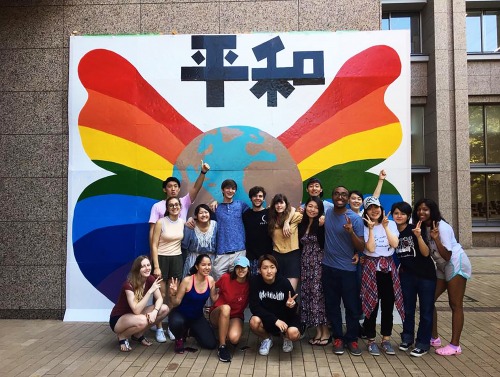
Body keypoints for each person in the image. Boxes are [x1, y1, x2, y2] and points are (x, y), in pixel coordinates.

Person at [413, 198, 472, 356]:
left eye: (425, 209)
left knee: (455, 304)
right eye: (419, 209)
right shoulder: (423, 227)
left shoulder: (442, 227)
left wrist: (436, 238)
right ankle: (434, 338)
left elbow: (446, 255)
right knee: (428, 300)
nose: (421, 212)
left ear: (432, 210)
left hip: (454, 264)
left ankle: (455, 345)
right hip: (441, 266)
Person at [322, 186, 365, 356]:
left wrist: (351, 232)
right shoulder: (328, 212)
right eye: (337, 194)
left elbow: (361, 246)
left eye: (344, 195)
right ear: (332, 196)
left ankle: (352, 339)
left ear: (348, 198)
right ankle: (338, 338)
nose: (340, 197)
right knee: (332, 306)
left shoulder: (355, 219)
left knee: (352, 307)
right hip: (328, 268)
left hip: (348, 270)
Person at [391, 201, 436, 357]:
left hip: (426, 275)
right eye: (396, 213)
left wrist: (418, 237)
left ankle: (423, 343)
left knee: (425, 311)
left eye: (402, 213)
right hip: (407, 275)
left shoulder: (415, 229)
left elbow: (425, 253)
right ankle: (407, 338)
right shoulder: (392, 231)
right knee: (407, 309)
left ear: (408, 216)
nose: (399, 216)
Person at [361, 196, 403, 356]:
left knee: (388, 306)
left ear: (381, 209)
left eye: (376, 207)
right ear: (366, 211)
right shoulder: (364, 226)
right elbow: (370, 249)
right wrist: (371, 229)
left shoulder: (391, 224)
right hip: (371, 269)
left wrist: (385, 227)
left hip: (389, 270)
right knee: (371, 307)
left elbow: (394, 244)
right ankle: (371, 340)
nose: (374, 210)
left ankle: (386, 339)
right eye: (370, 208)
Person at [109, 255, 169, 352]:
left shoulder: (150, 279)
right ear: (137, 269)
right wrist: (150, 291)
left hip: (134, 315)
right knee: (143, 320)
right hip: (119, 319)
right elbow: (136, 310)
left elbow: (159, 299)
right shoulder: (128, 285)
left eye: (148, 265)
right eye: (143, 266)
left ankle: (138, 334)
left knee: (164, 309)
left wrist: (155, 311)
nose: (147, 268)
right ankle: (122, 336)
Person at [149, 161, 210, 246]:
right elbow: (152, 230)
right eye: (170, 186)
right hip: (163, 247)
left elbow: (196, 188)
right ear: (164, 189)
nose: (173, 189)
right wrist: (153, 251)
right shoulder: (157, 206)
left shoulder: (184, 202)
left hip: (181, 245)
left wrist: (203, 172)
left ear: (179, 189)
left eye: (175, 186)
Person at [249, 255, 301, 355]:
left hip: (285, 320)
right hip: (269, 320)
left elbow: (294, 310)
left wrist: (291, 305)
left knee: (293, 334)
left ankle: (286, 338)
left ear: (276, 269)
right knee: (254, 321)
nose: (269, 271)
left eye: (272, 267)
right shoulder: (255, 282)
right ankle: (267, 339)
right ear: (259, 270)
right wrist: (275, 320)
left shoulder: (284, 282)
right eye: (265, 268)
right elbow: (254, 307)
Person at [150, 196, 185, 342]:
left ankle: (171, 326)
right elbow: (154, 245)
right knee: (161, 294)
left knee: (173, 294)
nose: (174, 207)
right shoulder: (161, 222)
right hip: (162, 259)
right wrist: (156, 266)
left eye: (177, 204)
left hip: (177, 259)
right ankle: (158, 328)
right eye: (171, 205)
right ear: (167, 208)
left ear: (180, 207)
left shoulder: (182, 222)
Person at [168, 254, 218, 353]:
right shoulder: (187, 281)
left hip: (197, 317)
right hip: (180, 314)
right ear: (197, 266)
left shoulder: (211, 280)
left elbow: (214, 298)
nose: (207, 267)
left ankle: (191, 331)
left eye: (209, 265)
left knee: (211, 344)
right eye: (203, 265)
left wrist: (226, 291)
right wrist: (172, 294)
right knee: (176, 323)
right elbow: (176, 303)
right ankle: (179, 338)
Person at [298, 197, 330, 346]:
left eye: (316, 207)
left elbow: (326, 242)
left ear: (320, 210)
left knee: (319, 297)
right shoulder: (302, 223)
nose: (312, 209)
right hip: (305, 264)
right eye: (310, 206)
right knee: (309, 296)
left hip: (319, 263)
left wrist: (323, 225)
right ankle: (318, 331)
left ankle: (326, 332)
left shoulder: (322, 223)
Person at [209, 256, 251, 362]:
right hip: (219, 313)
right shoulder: (226, 278)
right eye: (238, 267)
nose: (240, 270)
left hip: (235, 316)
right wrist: (214, 297)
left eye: (243, 267)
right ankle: (222, 346)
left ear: (248, 268)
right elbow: (213, 284)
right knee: (226, 308)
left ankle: (222, 333)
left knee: (234, 338)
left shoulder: (250, 284)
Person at [212, 179, 249, 280]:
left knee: (239, 282)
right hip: (221, 252)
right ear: (222, 190)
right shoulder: (216, 208)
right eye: (227, 188)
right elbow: (203, 215)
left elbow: (254, 213)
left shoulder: (241, 205)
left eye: (233, 188)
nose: (230, 190)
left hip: (239, 251)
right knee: (218, 283)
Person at [268, 193, 302, 291]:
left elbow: (294, 209)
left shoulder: (294, 216)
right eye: (276, 203)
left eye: (281, 203)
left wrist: (287, 222)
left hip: (292, 255)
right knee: (277, 289)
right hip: (277, 254)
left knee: (290, 291)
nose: (279, 205)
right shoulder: (271, 218)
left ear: (286, 204)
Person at [242, 186, 274, 275]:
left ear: (263, 199)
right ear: (251, 198)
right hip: (251, 257)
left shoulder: (269, 213)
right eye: (255, 196)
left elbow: (289, 209)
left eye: (260, 196)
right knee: (253, 283)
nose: (257, 198)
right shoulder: (246, 215)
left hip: (267, 256)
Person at [181, 204, 217, 277]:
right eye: (200, 213)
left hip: (211, 262)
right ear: (196, 215)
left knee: (209, 284)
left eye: (206, 212)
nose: (204, 215)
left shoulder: (215, 225)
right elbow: (184, 245)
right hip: (193, 261)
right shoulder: (191, 225)